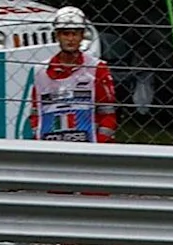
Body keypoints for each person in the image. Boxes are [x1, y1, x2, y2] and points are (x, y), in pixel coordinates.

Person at [23, 7, 116, 143]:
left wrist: (99, 145)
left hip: (89, 146)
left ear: (82, 36)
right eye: (66, 34)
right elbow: (36, 114)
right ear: (57, 36)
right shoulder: (40, 71)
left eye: (75, 34)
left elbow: (108, 114)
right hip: (50, 148)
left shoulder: (97, 68)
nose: (70, 39)